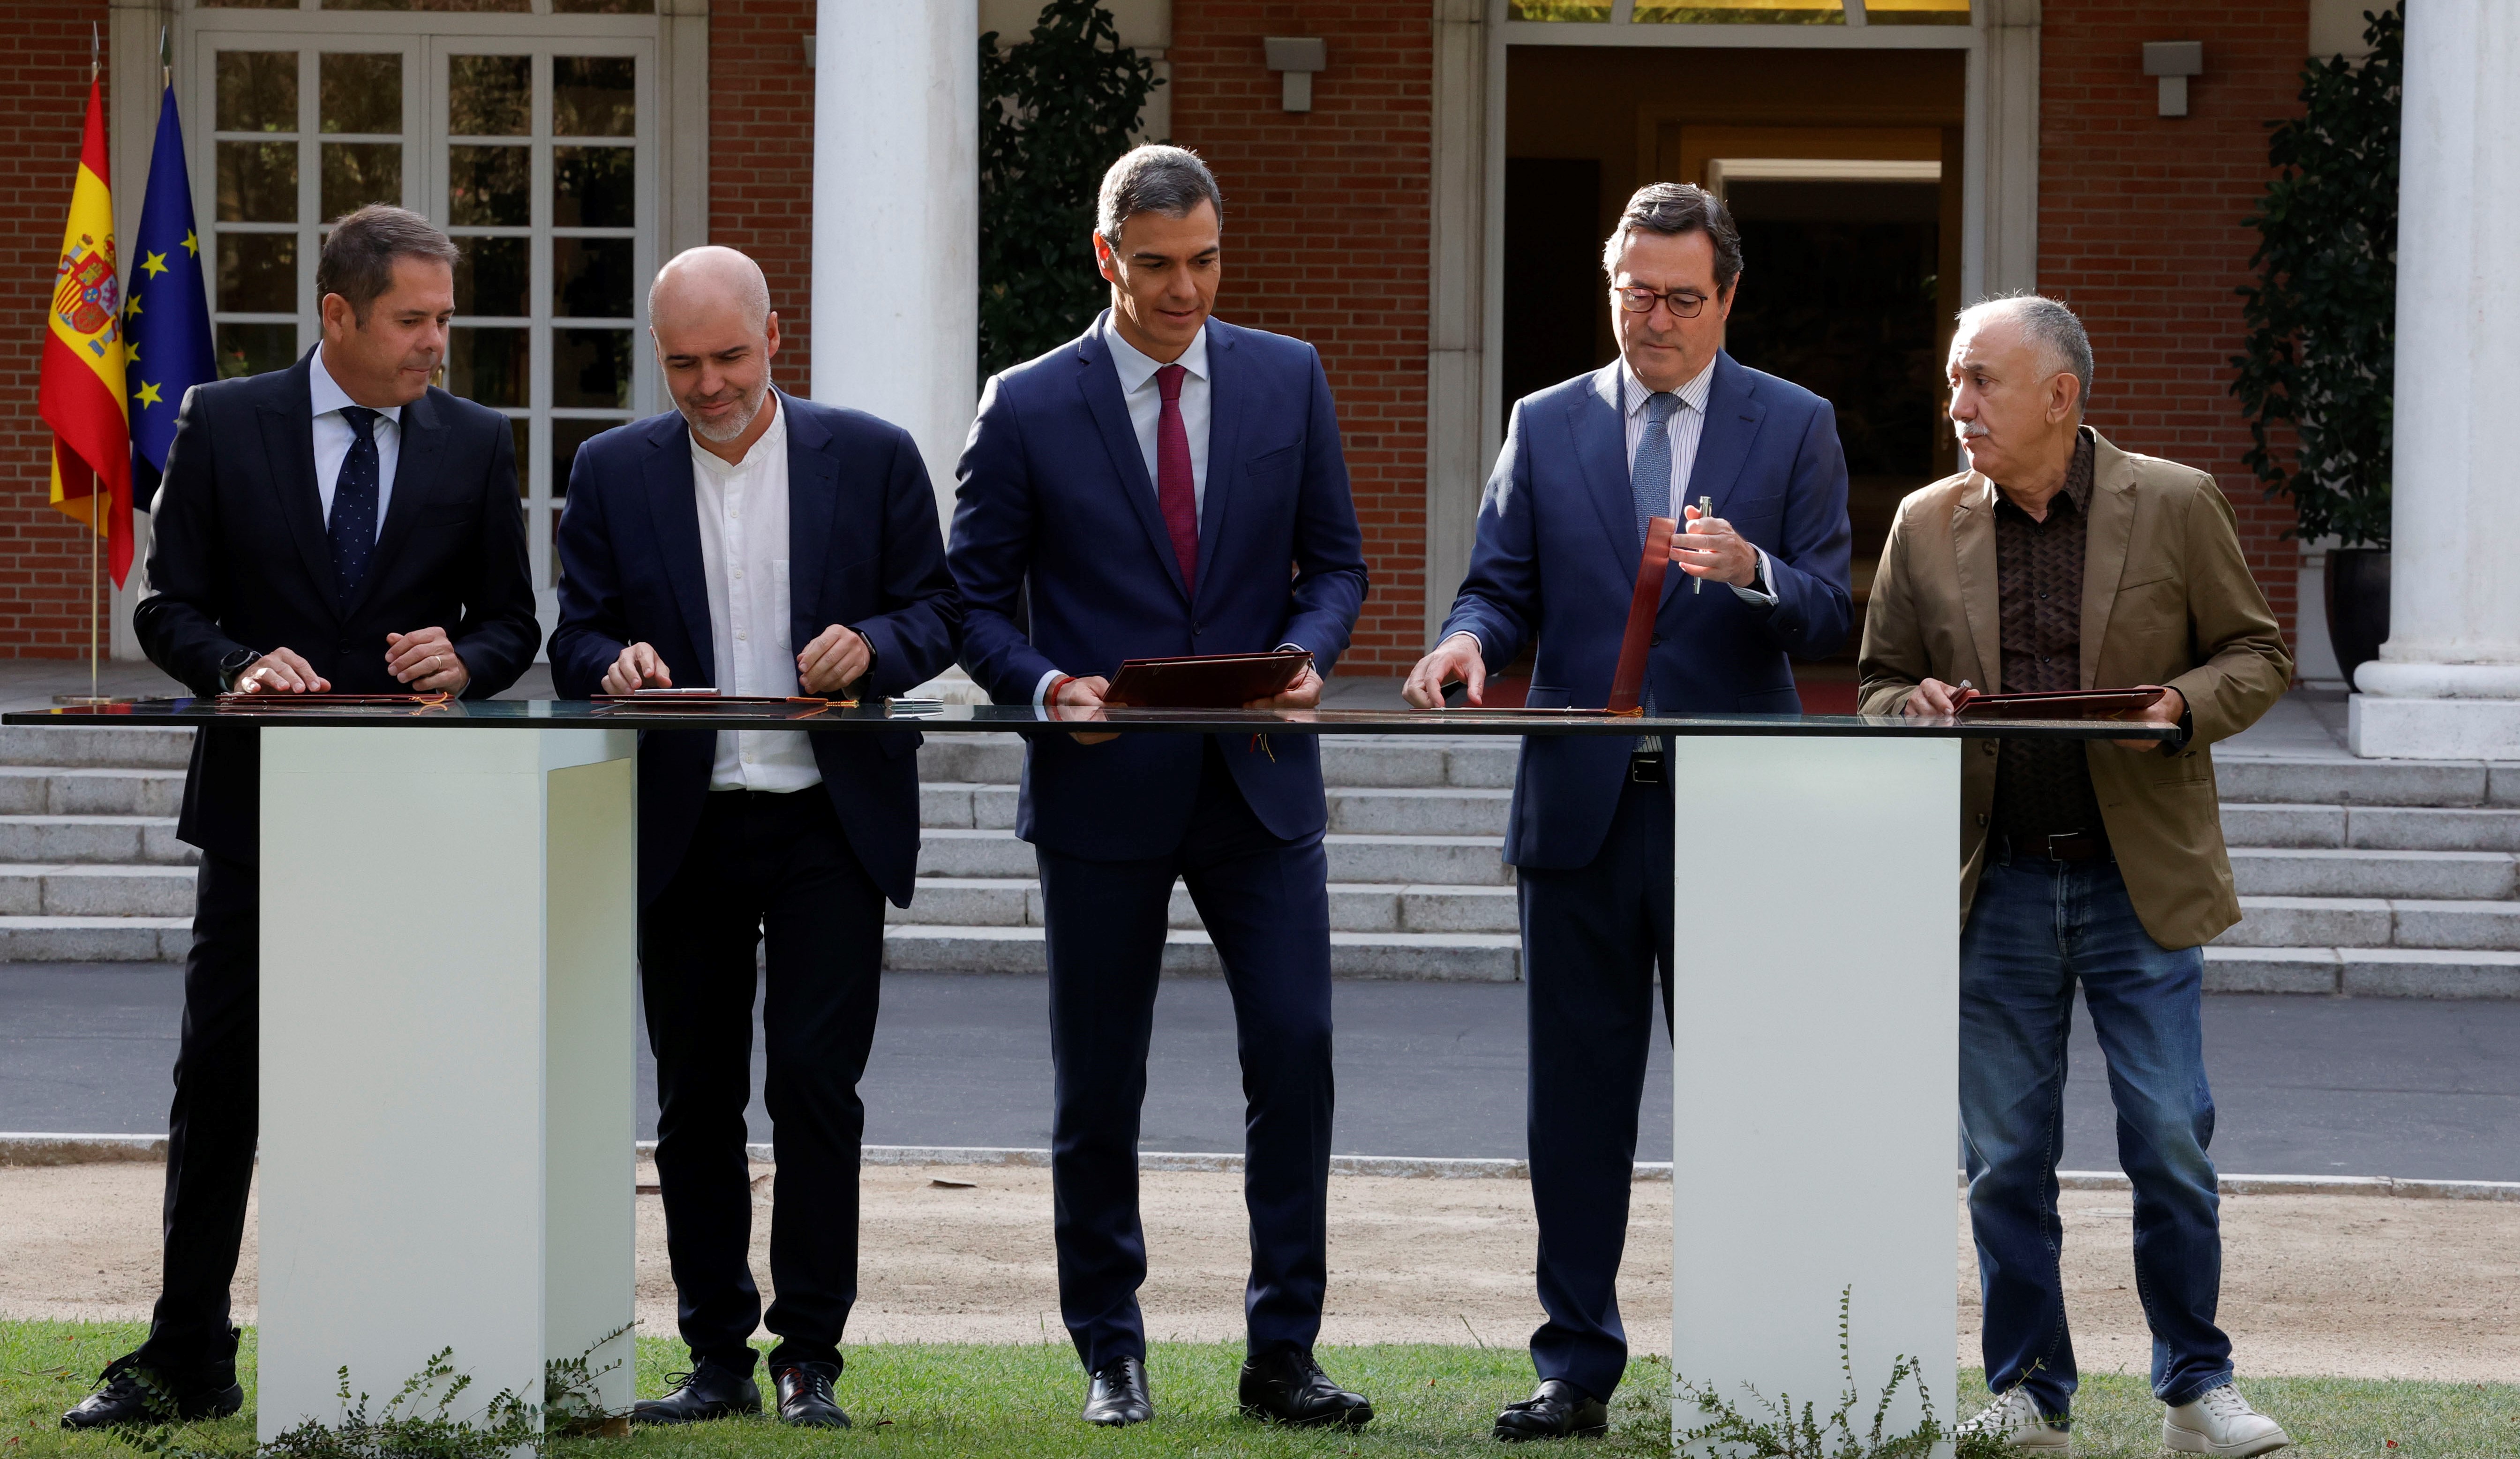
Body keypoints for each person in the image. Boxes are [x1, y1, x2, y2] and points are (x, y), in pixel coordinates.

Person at [75, 205, 541, 1430]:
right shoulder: (223, 426)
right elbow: (168, 609)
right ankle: (188, 1357)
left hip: (415, 823)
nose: (437, 342)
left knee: (402, 1089)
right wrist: (235, 663)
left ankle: (399, 1351)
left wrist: (468, 661)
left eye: (445, 319)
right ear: (337, 315)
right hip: (258, 818)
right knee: (219, 1087)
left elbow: (512, 622)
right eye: (413, 320)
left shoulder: (473, 441)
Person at [1403, 182, 1854, 1442]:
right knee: (1576, 1104)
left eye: (1676, 297)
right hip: (1580, 812)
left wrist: (1751, 570)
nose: (1649, 318)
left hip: (1739, 810)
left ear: (1725, 298)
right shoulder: (1543, 424)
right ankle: (1573, 1366)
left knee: (1746, 1102)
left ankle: (1754, 1355)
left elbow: (1832, 608)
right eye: (1629, 292)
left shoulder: (1794, 424)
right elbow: (1496, 587)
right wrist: (1462, 648)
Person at [948, 144, 1371, 1431]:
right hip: (1100, 788)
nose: (1182, 289)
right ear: (1105, 258)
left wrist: (1311, 653)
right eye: (1155, 266)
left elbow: (1336, 565)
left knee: (1294, 1053)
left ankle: (1281, 1356)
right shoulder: (1024, 404)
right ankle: (1108, 1348)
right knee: (1100, 1080)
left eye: (1201, 263)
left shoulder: (1286, 377)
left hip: (1256, 782)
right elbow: (970, 597)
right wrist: (1041, 687)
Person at [1858, 294, 2294, 1458]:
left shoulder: (2177, 502)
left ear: (2061, 395)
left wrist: (2177, 706)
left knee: (2168, 1137)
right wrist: (1913, 706)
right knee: (2003, 1156)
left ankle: (2196, 1389)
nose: (1958, 407)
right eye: (1953, 381)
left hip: (2134, 884)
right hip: (1992, 883)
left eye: (1981, 382)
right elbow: (1876, 680)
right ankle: (2031, 1399)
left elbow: (2256, 654)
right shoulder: (1920, 521)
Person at [549, 247, 962, 1430]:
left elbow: (938, 611)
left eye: (728, 356)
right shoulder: (613, 470)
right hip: (685, 819)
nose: (709, 383)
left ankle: (811, 1355)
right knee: (694, 1099)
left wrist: (873, 646)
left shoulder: (872, 454)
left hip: (831, 817)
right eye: (682, 363)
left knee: (816, 1087)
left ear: (775, 336)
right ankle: (718, 1354)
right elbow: (577, 633)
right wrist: (608, 665)